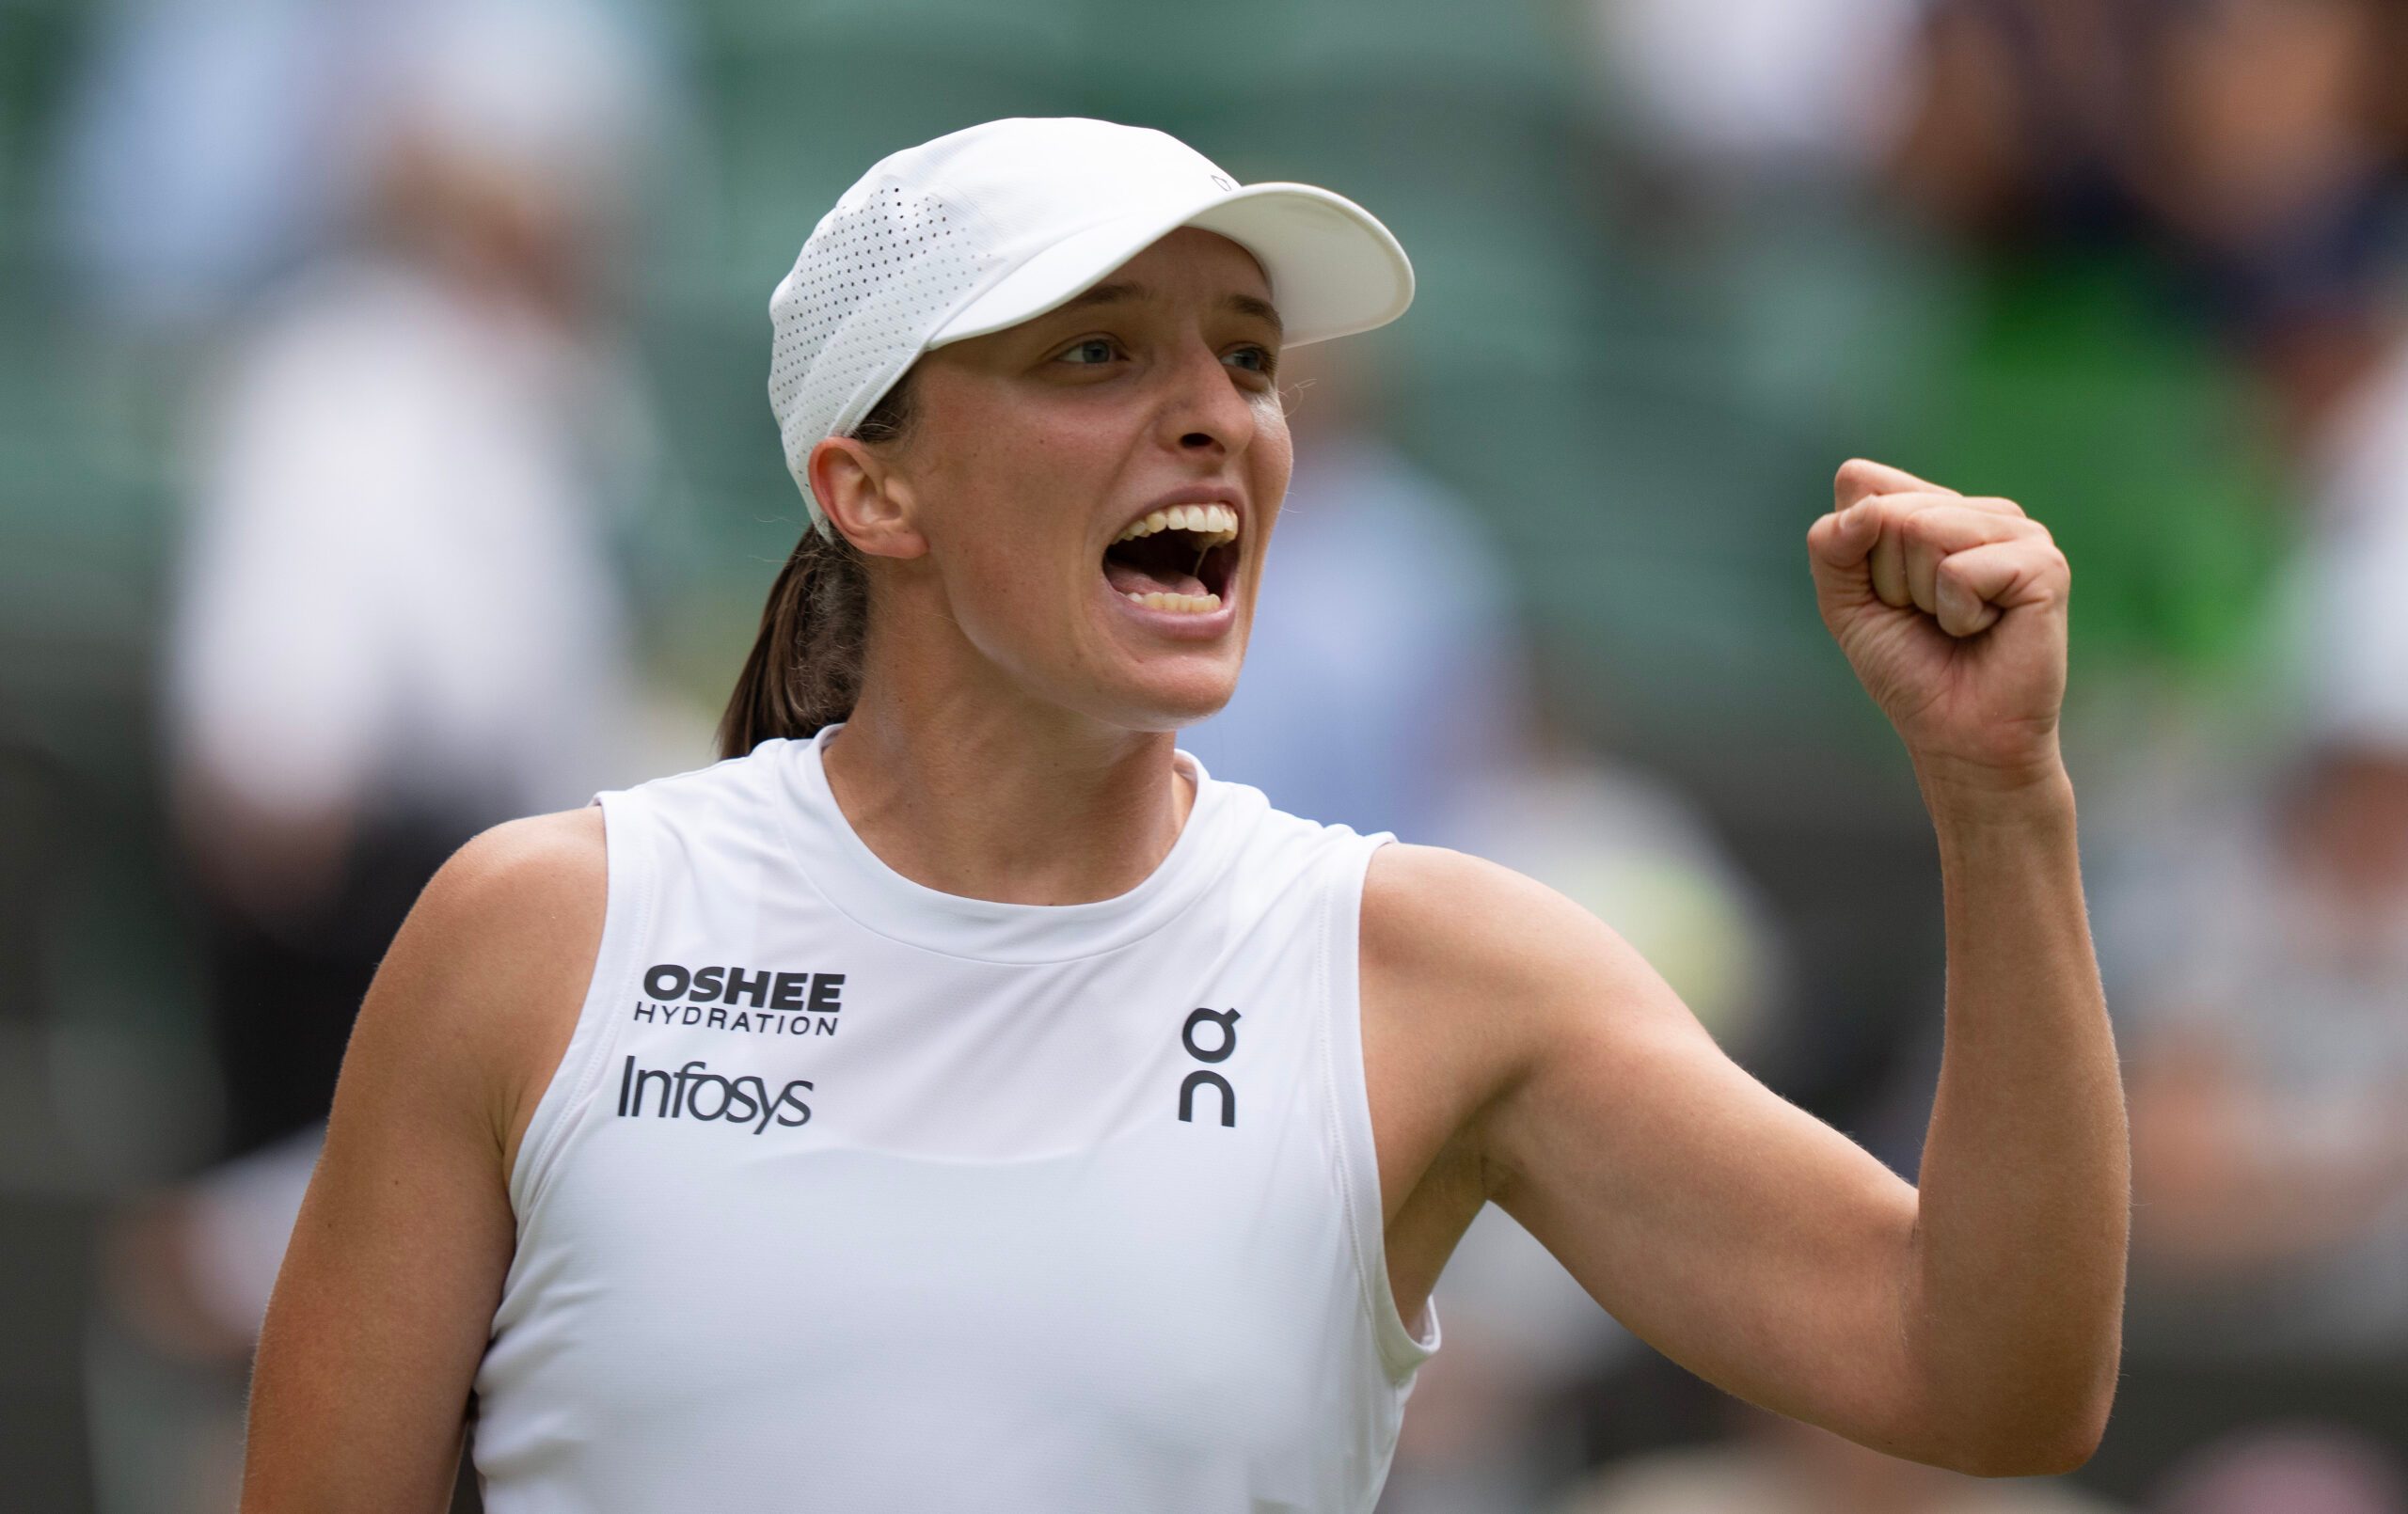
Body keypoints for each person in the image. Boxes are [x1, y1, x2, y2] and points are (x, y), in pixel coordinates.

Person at [238, 118, 2127, 1511]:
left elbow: (1985, 1380)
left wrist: (1997, 798)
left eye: (1243, 354)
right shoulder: (534, 936)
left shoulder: (1444, 973)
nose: (1217, 413)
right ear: (869, 491)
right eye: (1095, 352)